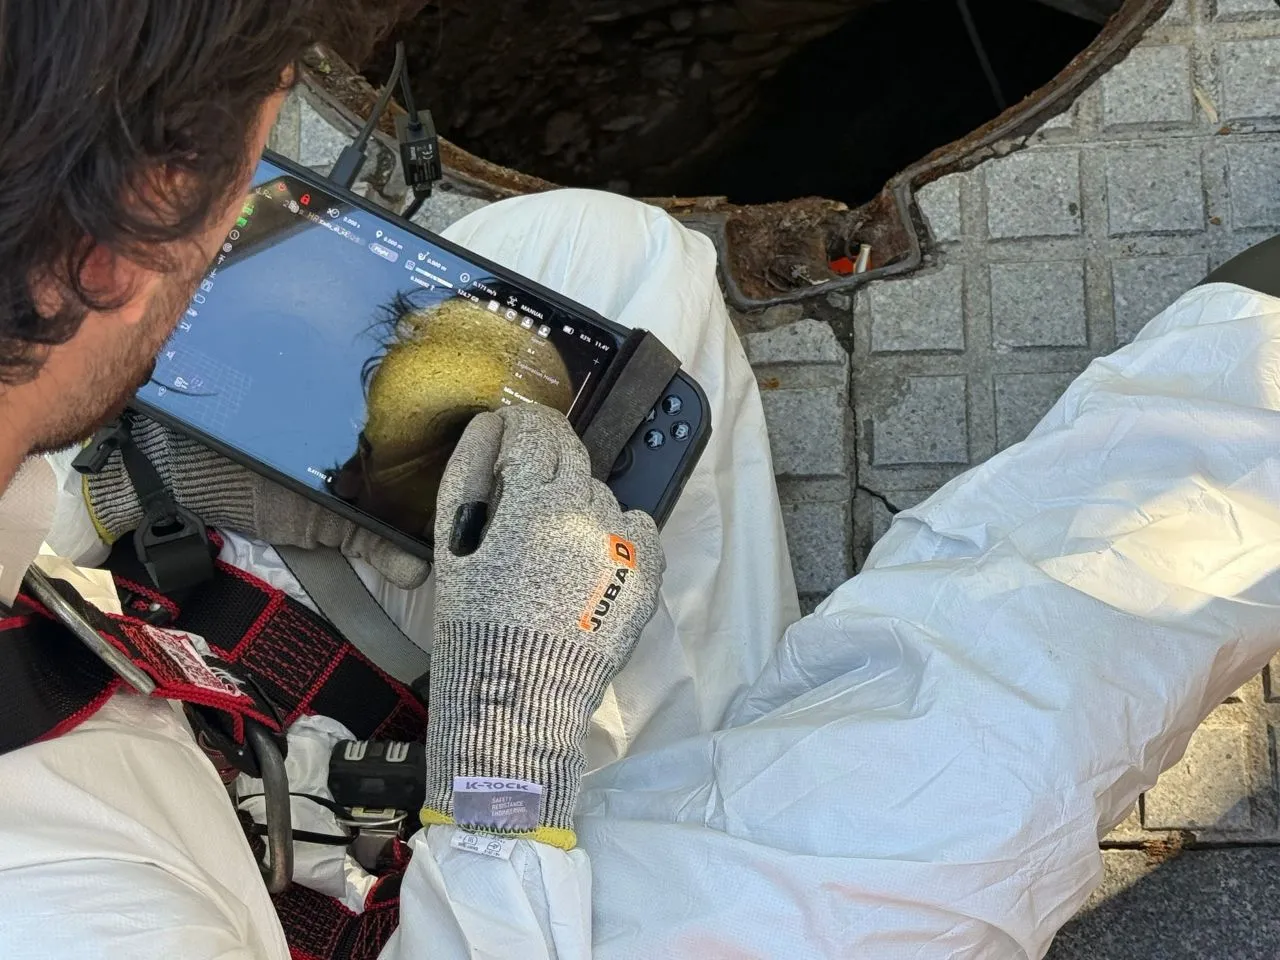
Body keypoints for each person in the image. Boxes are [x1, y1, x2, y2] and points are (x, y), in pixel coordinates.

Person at [4, 3, 1280, 959]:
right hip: (393, 914)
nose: (264, 167)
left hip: (200, 693)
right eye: (243, 158)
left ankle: (658, 777)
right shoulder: (77, 920)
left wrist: (121, 481)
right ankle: (1246, 398)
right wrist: (504, 755)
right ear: (104, 259)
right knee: (940, 806)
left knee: (600, 275)